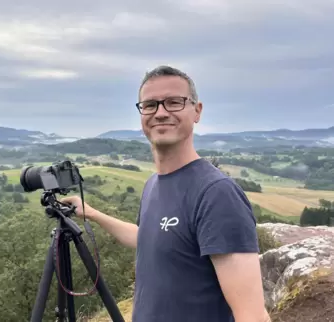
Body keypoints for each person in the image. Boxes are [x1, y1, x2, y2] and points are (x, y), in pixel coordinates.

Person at [61, 65, 270, 322]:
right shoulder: (153, 185)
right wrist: (90, 212)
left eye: (174, 102)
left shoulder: (216, 194)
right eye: (150, 105)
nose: (160, 113)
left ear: (197, 111)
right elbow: (152, 238)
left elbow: (252, 315)